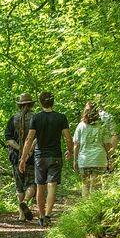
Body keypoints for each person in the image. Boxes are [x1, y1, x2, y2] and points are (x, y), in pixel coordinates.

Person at [18, 91, 72, 227]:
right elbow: (67, 137)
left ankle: (41, 217)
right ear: (52, 102)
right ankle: (47, 215)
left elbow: (29, 139)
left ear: (41, 103)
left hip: (39, 157)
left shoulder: (36, 118)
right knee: (52, 185)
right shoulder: (61, 118)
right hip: (55, 156)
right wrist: (70, 151)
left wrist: (23, 159)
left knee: (40, 187)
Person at [73, 101, 117, 197]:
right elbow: (107, 145)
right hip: (99, 159)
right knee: (96, 185)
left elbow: (76, 145)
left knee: (85, 184)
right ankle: (95, 208)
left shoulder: (80, 126)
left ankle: (85, 207)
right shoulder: (102, 126)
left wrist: (75, 160)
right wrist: (110, 159)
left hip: (84, 160)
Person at [5, 93, 37, 221]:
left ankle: (21, 215)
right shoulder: (36, 118)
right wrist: (28, 150)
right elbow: (38, 138)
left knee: (19, 185)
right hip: (32, 156)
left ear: (20, 105)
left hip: (15, 157)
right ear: (31, 104)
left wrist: (19, 148)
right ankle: (25, 202)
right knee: (32, 183)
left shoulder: (13, 119)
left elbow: (9, 139)